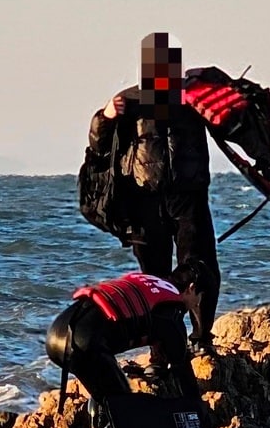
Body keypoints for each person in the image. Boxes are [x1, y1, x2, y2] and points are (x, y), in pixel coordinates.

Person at [88, 32, 219, 355]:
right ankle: (162, 352)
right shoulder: (128, 100)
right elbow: (98, 145)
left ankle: (201, 338)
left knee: (201, 267)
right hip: (143, 199)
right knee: (153, 277)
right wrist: (105, 116)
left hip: (189, 196)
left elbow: (230, 120)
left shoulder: (193, 96)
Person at [45, 264, 211, 428]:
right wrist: (204, 423)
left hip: (57, 335)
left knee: (104, 390)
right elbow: (184, 377)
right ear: (191, 288)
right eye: (199, 298)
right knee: (123, 408)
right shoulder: (171, 313)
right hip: (84, 343)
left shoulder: (150, 281)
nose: (197, 305)